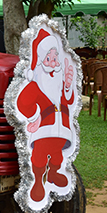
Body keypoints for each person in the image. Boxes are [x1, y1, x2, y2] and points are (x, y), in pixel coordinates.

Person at [15, 28, 76, 203]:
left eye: (55, 59)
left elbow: (69, 100)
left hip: (61, 130)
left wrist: (68, 87)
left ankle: (54, 173)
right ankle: (37, 182)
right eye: (48, 59)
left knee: (57, 154)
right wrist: (35, 116)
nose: (53, 63)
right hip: (43, 130)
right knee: (40, 156)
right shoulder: (35, 85)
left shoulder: (59, 84)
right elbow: (23, 103)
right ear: (41, 61)